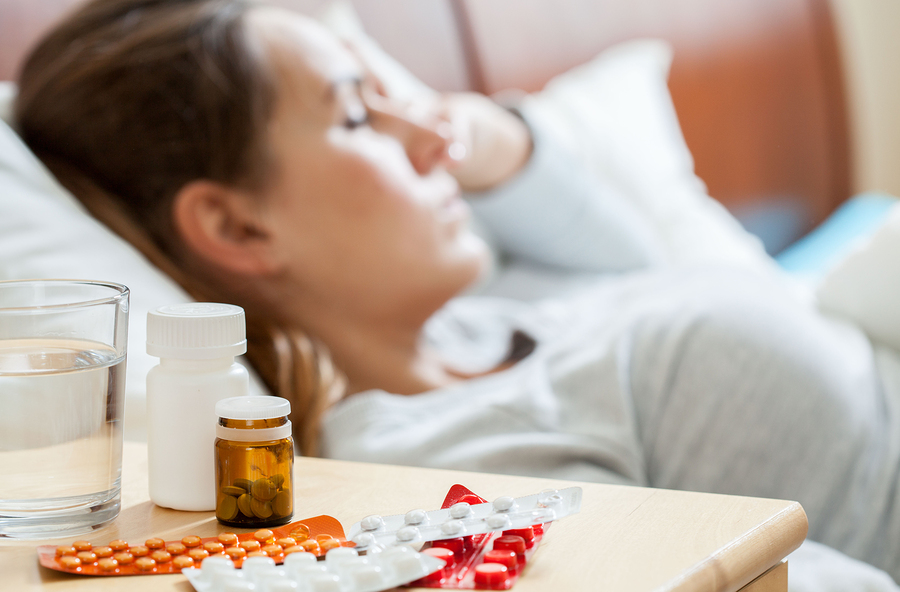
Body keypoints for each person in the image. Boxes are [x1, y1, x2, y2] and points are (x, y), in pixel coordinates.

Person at [12, 0, 900, 586]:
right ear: (240, 229)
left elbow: (621, 231)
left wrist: (476, 131)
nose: (431, 137)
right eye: (360, 115)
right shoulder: (445, 466)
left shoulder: (500, 299)